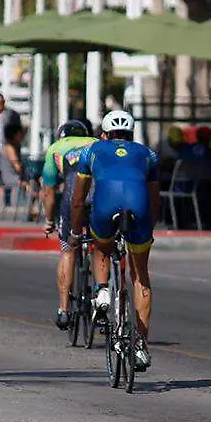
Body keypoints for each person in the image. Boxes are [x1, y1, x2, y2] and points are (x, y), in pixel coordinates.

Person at [69, 110, 160, 371]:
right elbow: (155, 200)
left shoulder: (92, 151)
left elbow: (78, 200)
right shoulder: (147, 154)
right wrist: (148, 229)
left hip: (105, 206)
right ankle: (141, 345)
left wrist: (75, 234)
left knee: (103, 247)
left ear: (105, 134)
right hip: (139, 208)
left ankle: (103, 291)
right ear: (132, 134)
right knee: (141, 274)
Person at [41, 120, 98, 330]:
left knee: (67, 250)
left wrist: (49, 220)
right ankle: (102, 294)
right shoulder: (95, 143)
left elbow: (48, 192)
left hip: (72, 201)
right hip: (98, 200)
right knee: (102, 247)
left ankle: (64, 310)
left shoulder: (56, 149)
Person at [0, 124, 26, 206]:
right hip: (9, 177)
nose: (22, 135)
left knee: (28, 182)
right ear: (15, 135)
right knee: (29, 184)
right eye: (20, 133)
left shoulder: (15, 146)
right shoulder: (9, 148)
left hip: (10, 176)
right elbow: (17, 167)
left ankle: (24, 205)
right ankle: (23, 206)